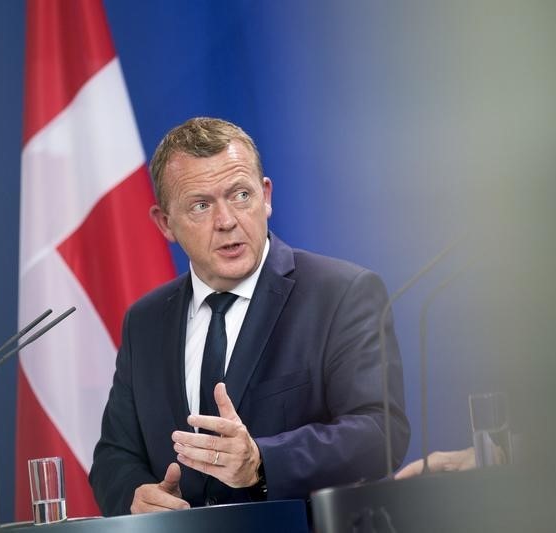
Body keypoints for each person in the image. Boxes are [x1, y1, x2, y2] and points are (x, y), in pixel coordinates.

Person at [89, 117, 409, 515]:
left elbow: (381, 434)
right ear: (165, 224)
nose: (226, 221)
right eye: (201, 205)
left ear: (266, 195)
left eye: (240, 195)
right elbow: (114, 454)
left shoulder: (340, 293)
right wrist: (134, 495)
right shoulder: (145, 320)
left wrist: (261, 462)